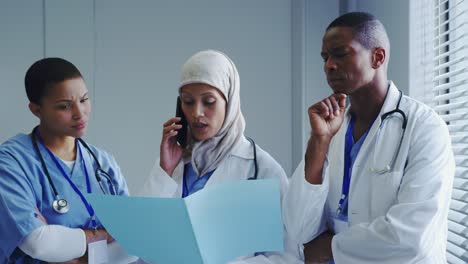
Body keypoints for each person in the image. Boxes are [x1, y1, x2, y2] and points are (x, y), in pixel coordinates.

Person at [283, 12, 455, 263]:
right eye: (325, 57)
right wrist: (318, 142)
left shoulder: (425, 128)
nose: (329, 65)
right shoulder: (333, 129)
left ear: (377, 57)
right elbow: (298, 227)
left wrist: (330, 247)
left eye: (340, 53)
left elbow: (410, 238)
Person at [137, 50, 298, 263]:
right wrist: (163, 172)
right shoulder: (172, 162)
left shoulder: (261, 170)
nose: (196, 113)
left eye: (209, 102)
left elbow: (286, 257)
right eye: (188, 101)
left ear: (229, 101)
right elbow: (141, 240)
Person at [0, 57, 129, 263]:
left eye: (84, 100)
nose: (80, 113)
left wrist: (65, 247)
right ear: (36, 109)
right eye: (64, 106)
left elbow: (131, 240)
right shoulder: (12, 162)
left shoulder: (103, 163)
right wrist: (105, 236)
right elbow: (38, 244)